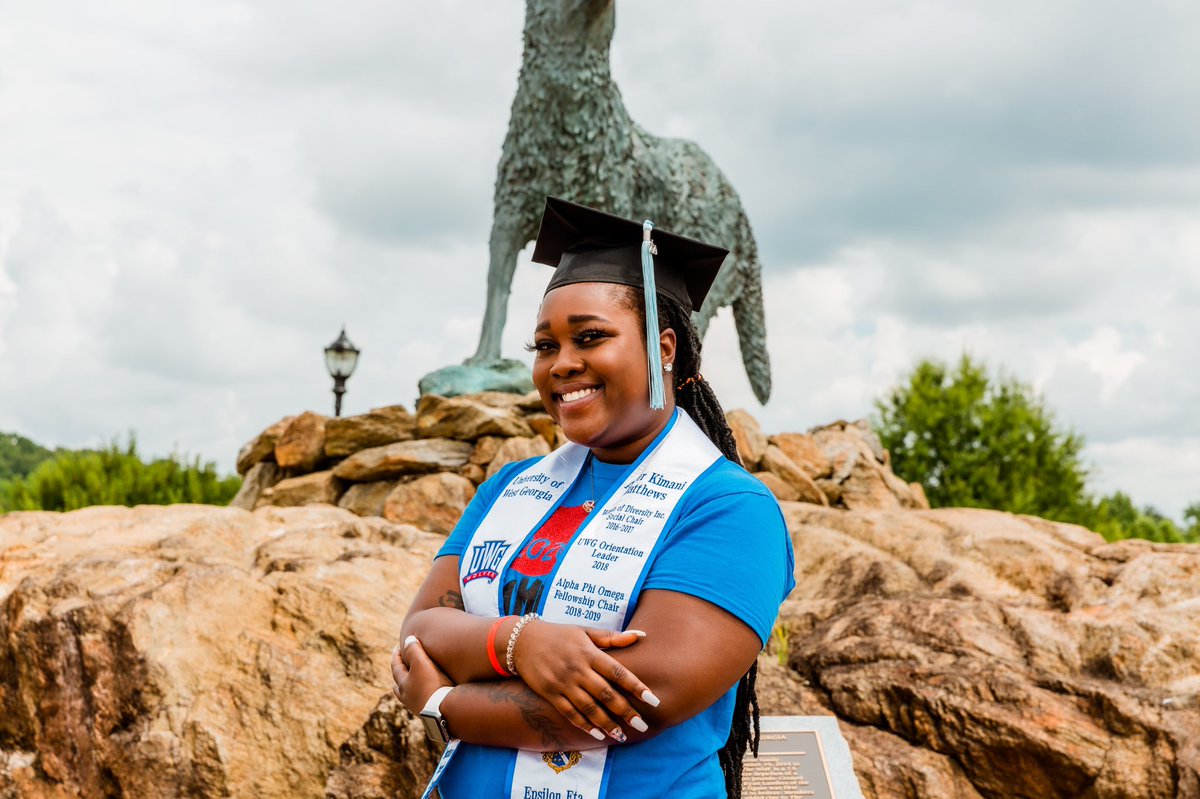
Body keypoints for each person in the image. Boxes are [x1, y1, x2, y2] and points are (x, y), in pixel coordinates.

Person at [391, 197, 795, 799]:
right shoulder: (509, 488)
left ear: (664, 349)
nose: (562, 364)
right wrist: (521, 643)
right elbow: (418, 633)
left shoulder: (729, 508)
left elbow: (634, 700)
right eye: (545, 345)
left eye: (590, 337)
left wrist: (442, 702)